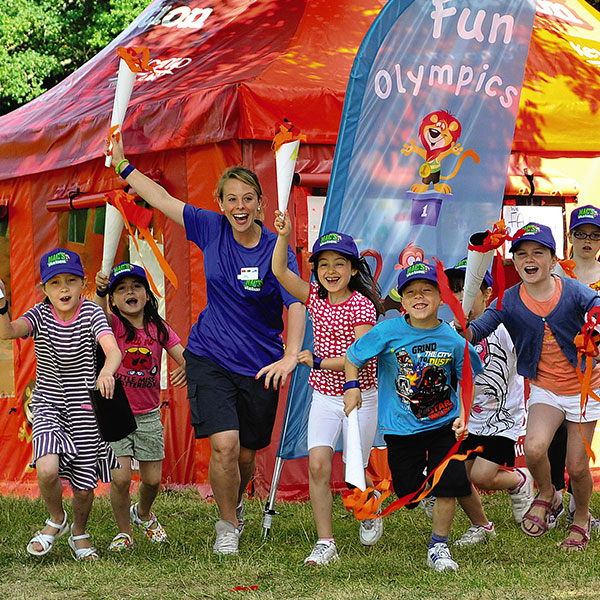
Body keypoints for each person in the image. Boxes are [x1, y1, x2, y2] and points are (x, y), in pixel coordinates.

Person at [105, 134, 305, 555]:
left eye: (247, 198)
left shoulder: (276, 249)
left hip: (261, 366)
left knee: (246, 455)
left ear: (261, 205)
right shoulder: (211, 228)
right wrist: (122, 165)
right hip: (210, 356)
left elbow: (297, 303)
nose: (239, 207)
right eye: (230, 199)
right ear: (220, 204)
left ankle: (236, 504)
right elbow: (160, 198)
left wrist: (290, 356)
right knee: (224, 445)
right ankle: (227, 525)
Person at [459, 223, 600, 551]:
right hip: (546, 387)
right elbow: (481, 328)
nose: (529, 259)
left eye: (538, 252)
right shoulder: (510, 299)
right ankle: (548, 493)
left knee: (578, 466)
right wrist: (464, 330)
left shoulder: (571, 290)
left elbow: (596, 303)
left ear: (553, 260)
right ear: (515, 262)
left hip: (583, 388)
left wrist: (595, 324)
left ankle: (581, 518)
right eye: (521, 254)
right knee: (535, 449)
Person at [345, 262, 483, 572]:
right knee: (407, 493)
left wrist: (464, 414)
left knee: (448, 482)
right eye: (411, 293)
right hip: (400, 429)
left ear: (441, 297)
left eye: (426, 291)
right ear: (403, 301)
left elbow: (468, 379)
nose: (418, 297)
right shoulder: (388, 331)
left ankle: (439, 547)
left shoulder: (452, 339)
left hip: (443, 427)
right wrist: (352, 387)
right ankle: (425, 495)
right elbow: (353, 357)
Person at [272, 217, 384, 565]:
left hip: (359, 396)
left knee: (355, 466)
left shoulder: (362, 305)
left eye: (339, 264)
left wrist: (318, 362)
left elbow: (360, 358)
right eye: (323, 264)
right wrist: (285, 236)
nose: (330, 270)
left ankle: (370, 509)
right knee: (318, 466)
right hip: (323, 396)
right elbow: (279, 271)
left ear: (353, 270)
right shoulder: (315, 299)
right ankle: (325, 542)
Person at [0, 248, 121, 560]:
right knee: (47, 468)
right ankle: (57, 518)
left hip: (86, 410)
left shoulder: (92, 314)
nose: (64, 289)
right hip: (49, 406)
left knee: (83, 487)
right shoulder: (39, 315)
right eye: (55, 283)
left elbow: (113, 350)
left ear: (83, 284)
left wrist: (107, 371)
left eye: (71, 280)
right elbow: (8, 332)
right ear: (44, 290)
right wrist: (2, 305)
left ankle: (79, 532)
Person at [94, 262, 186, 551]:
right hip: (116, 413)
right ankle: (124, 532)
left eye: (135, 287)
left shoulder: (159, 328)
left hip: (148, 415)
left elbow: (185, 357)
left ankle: (143, 513)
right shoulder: (113, 325)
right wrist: (99, 289)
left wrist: (187, 368)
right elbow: (95, 313)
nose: (129, 292)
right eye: (120, 289)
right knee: (120, 479)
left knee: (153, 480)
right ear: (113, 300)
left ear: (147, 294)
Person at [444, 259, 532, 547]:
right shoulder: (448, 330)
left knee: (482, 476)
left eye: (470, 289)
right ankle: (481, 526)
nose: (461, 296)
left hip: (502, 418)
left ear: (487, 294)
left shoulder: (506, 328)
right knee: (460, 478)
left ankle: (519, 481)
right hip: (467, 418)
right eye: (455, 290)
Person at [547, 205, 600, 529]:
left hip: (593, 371)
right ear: (570, 237)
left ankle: (577, 507)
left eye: (594, 235)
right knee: (552, 439)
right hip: (557, 367)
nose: (587, 240)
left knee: (580, 442)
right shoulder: (558, 275)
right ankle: (551, 500)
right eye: (581, 234)